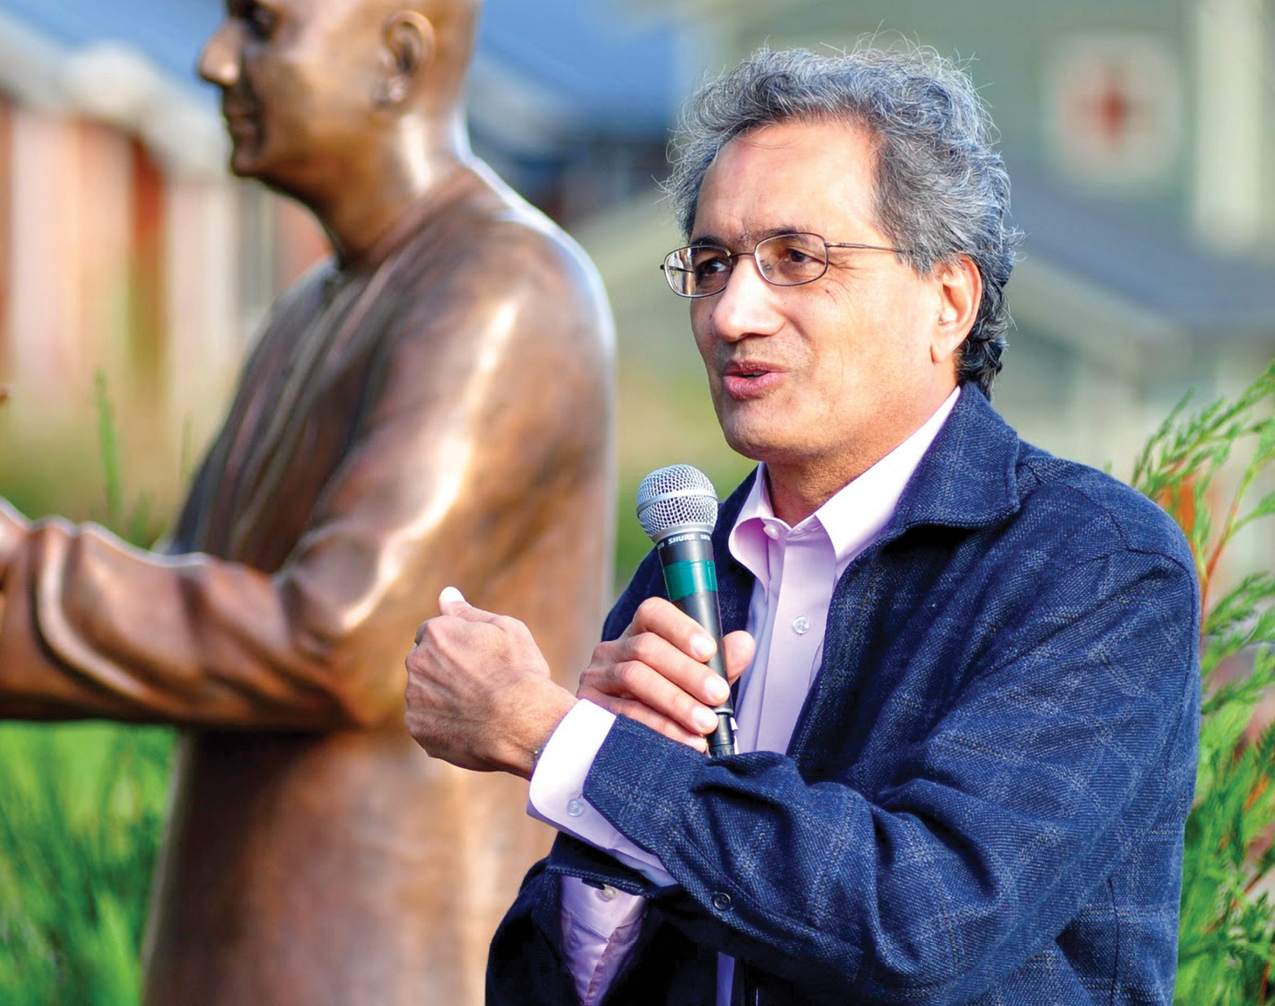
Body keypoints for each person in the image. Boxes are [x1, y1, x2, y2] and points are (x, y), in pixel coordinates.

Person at [402, 44, 1201, 1005]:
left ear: (948, 301)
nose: (734, 311)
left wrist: (551, 735)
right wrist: (612, 815)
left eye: (795, 258)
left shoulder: (1091, 563)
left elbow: (923, 925)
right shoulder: (691, 564)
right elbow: (548, 984)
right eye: (710, 263)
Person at [0, 0, 615, 1003]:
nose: (214, 62)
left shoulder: (507, 288)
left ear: (397, 58)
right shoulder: (312, 308)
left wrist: (23, 571)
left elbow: (341, 641)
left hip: (389, 969)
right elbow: (171, 626)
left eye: (261, 26)